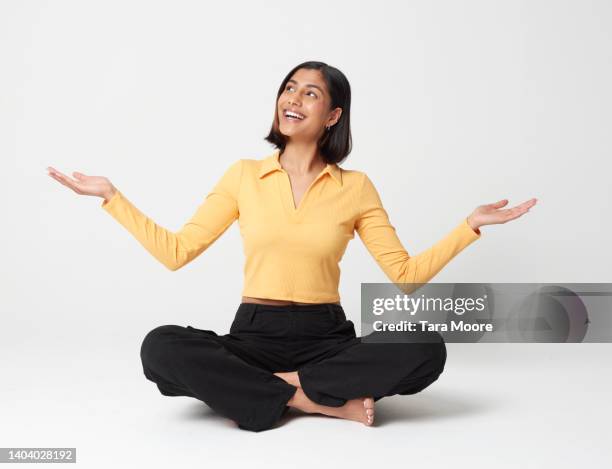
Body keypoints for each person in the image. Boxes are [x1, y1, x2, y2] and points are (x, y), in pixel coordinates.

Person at [47, 60, 537, 432]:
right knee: (160, 348)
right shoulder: (244, 176)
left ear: (333, 115)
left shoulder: (356, 187)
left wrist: (469, 226)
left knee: (424, 347)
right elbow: (178, 251)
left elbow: (404, 276)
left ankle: (267, 394)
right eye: (288, 88)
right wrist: (113, 198)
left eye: (310, 92)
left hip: (327, 337)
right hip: (254, 334)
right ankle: (315, 401)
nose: (293, 98)